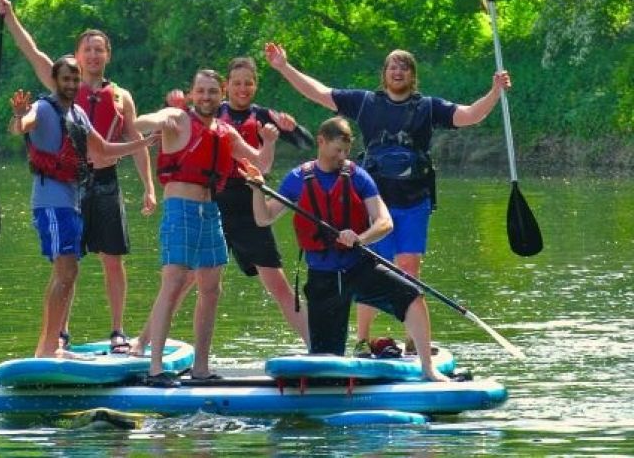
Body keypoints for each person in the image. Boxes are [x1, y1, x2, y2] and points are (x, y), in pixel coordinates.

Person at [264, 43, 512, 353]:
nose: (397, 71)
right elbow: (320, 93)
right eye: (392, 67)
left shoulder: (428, 107)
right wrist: (284, 67)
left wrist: (494, 92)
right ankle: (362, 339)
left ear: (412, 75)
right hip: (372, 201)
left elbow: (469, 116)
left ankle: (414, 339)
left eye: (404, 67)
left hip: (413, 200)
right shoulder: (366, 102)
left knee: (409, 266)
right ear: (384, 74)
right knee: (370, 266)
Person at [0, 0, 156, 353]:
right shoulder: (59, 88)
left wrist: (149, 185)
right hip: (68, 187)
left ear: (108, 55)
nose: (94, 56)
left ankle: (117, 330)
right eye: (88, 50)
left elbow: (125, 143)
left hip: (105, 182)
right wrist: (9, 17)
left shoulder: (121, 96)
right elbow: (32, 52)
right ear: (76, 56)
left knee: (109, 258)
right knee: (66, 263)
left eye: (100, 50)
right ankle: (58, 335)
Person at [245, 116, 449, 382]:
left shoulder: (357, 176)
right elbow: (264, 218)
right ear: (321, 142)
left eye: (346, 151)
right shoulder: (298, 178)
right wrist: (257, 189)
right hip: (323, 280)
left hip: (358, 268)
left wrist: (361, 238)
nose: (341, 157)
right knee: (326, 365)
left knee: (412, 294)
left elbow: (384, 222)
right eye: (336, 150)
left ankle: (427, 368)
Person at [136, 57, 313, 349]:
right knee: (183, 280)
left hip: (248, 208)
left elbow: (304, 143)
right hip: (211, 204)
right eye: (237, 83)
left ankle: (313, 345)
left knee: (278, 284)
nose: (242, 89)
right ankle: (142, 342)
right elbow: (180, 122)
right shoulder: (210, 109)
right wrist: (174, 107)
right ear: (226, 86)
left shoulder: (264, 116)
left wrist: (290, 128)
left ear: (255, 85)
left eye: (248, 83)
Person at [133, 69, 279, 387]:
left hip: (211, 210)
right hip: (179, 209)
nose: (206, 97)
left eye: (213, 91)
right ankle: (155, 368)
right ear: (192, 93)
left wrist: (268, 142)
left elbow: (261, 164)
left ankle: (201, 367)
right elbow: (140, 123)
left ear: (221, 95)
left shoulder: (226, 132)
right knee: (172, 283)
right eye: (201, 91)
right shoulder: (177, 118)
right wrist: (153, 124)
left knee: (211, 289)